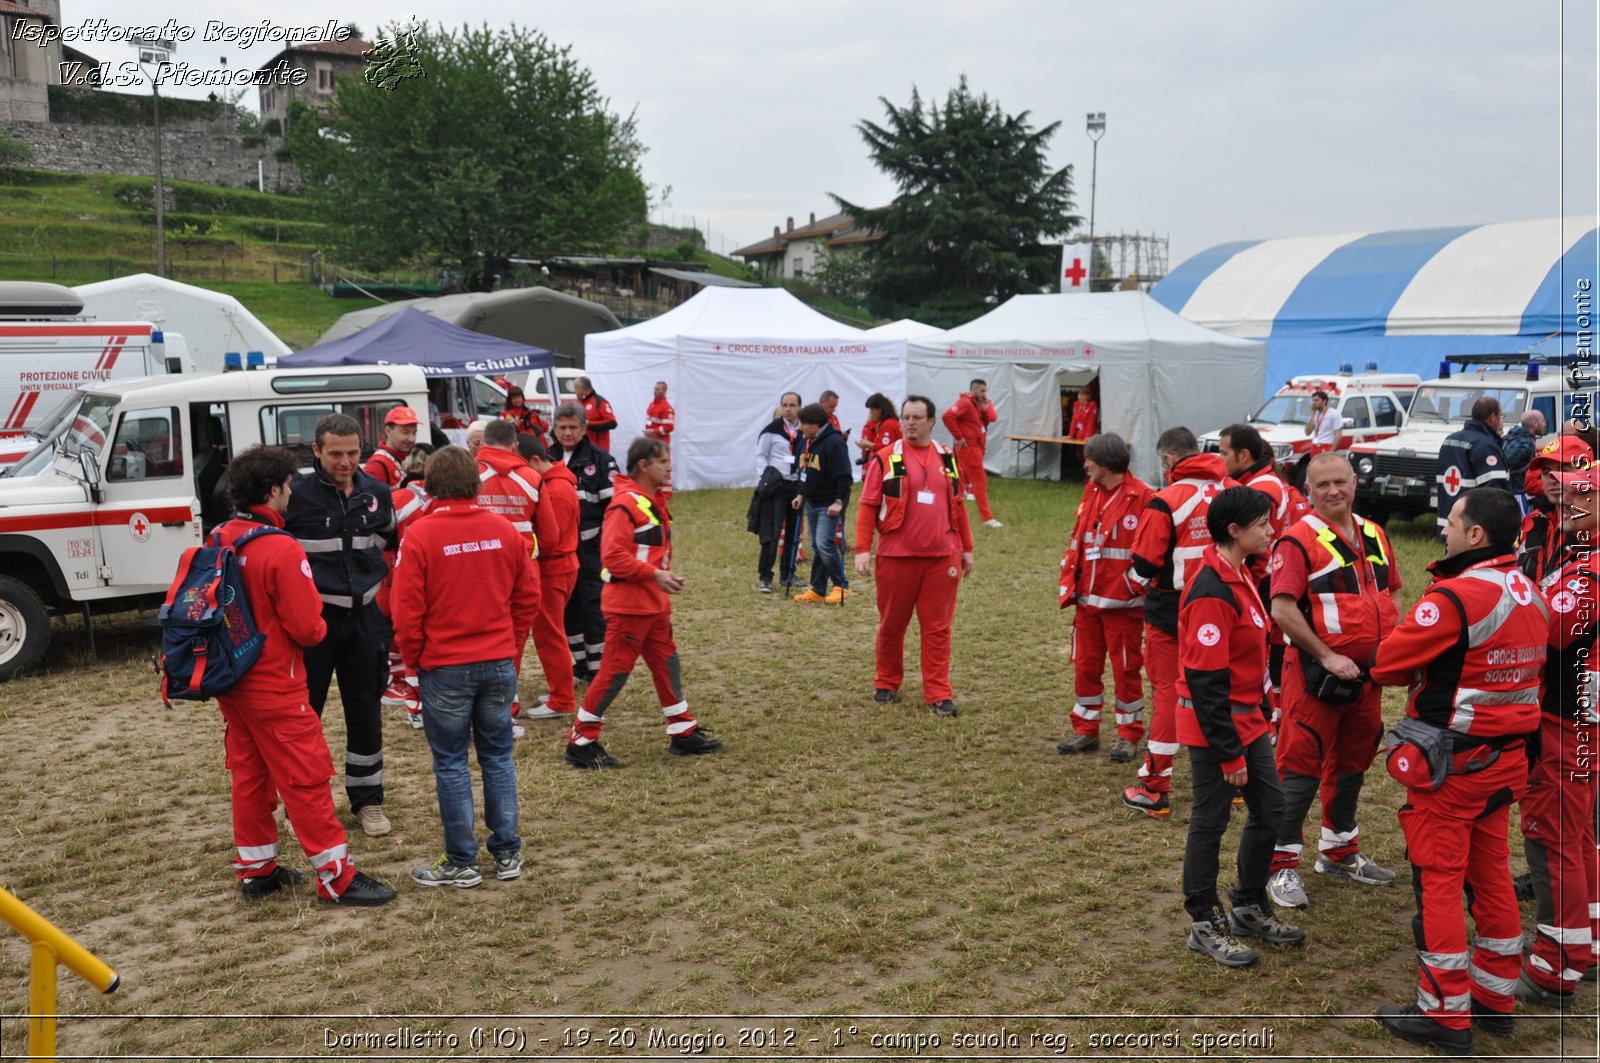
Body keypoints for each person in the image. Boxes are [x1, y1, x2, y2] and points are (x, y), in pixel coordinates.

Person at [1370, 488, 1547, 1056]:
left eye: (1450, 523)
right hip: (1506, 764)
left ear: (1475, 535)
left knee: (1440, 883)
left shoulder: (1455, 597)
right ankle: (1495, 999)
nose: (1443, 531)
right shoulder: (1532, 593)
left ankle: (1444, 1013)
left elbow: (1388, 665)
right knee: (1492, 876)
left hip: (1451, 768)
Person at [213, 445, 396, 907]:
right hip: (276, 682)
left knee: (250, 775)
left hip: (231, 682)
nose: (293, 492)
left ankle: (257, 870)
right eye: (289, 485)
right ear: (273, 490)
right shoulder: (280, 547)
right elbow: (309, 628)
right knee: (307, 778)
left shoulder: (218, 537)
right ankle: (336, 877)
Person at [393, 446, 539, 889]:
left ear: (430, 484)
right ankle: (508, 853)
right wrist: (508, 647)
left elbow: (405, 612)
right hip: (496, 662)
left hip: (446, 666)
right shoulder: (504, 530)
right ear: (475, 482)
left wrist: (415, 662)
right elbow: (527, 597)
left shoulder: (418, 535)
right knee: (498, 758)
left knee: (452, 763)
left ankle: (463, 861)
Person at [1264, 454, 1402, 911]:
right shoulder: (1297, 540)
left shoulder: (1375, 533)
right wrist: (1327, 655)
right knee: (1299, 767)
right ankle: (1280, 865)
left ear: (1355, 483)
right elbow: (1282, 608)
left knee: (1353, 762)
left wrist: (1391, 650)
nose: (1333, 491)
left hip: (1368, 677)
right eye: (1322, 485)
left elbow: (1392, 592)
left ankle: (1339, 852)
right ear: (1308, 490)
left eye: (1340, 482)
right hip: (1314, 678)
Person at [1176, 486, 1303, 968]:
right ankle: (1205, 923)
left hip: (1247, 720)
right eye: (1263, 524)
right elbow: (1206, 682)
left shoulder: (1241, 573)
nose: (1272, 531)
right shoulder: (1211, 587)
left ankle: (1248, 904)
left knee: (1272, 809)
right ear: (1235, 531)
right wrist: (1229, 753)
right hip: (1217, 728)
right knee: (1210, 820)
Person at [564, 437, 722, 768]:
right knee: (613, 673)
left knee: (667, 664)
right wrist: (654, 576)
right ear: (643, 466)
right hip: (630, 606)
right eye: (663, 462)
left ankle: (682, 730)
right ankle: (581, 740)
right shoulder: (625, 504)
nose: (669, 467)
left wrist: (658, 581)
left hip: (652, 604)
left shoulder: (646, 501)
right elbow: (612, 556)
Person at [286, 414, 396, 839]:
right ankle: (303, 807)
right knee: (305, 716)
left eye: (353, 453)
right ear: (316, 451)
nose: (346, 461)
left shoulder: (377, 493)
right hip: (313, 624)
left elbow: (388, 540)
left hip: (366, 621)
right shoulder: (295, 495)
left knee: (365, 711)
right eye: (336, 454)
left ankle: (368, 802)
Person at [1515, 465, 1599, 1008]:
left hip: (1566, 722)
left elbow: (1540, 629)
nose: (1567, 498)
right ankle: (1585, 944)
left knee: (1554, 839)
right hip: (1582, 719)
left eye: (1583, 493)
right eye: (1564, 489)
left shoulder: (1589, 571)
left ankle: (1555, 968)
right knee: (1579, 835)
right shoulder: (1577, 557)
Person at [1122, 427, 1235, 818]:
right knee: (1229, 690)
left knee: (1169, 692)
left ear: (1169, 459)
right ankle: (1236, 782)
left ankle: (1155, 787)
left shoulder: (1165, 500)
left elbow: (1144, 563)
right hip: (1228, 602)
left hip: (1172, 609)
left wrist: (1134, 583)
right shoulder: (1234, 492)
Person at [854, 395, 975, 717]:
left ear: (931, 421)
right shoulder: (885, 457)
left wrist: (967, 549)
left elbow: (959, 505)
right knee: (892, 625)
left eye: (917, 417)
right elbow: (867, 506)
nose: (910, 422)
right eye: (906, 416)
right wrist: (863, 550)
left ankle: (938, 693)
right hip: (896, 556)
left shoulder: (947, 457)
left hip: (942, 557)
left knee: (937, 630)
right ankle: (886, 682)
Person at [1055, 432, 1153, 761]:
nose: (1086, 464)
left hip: (1122, 606)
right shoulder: (1092, 491)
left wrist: (1130, 588)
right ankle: (1085, 730)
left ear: (1108, 464)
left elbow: (1153, 552)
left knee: (1125, 670)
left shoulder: (1143, 497)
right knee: (1085, 666)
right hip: (1087, 602)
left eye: (1090, 459)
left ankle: (1129, 735)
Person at [476, 418, 543, 729]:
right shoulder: (532, 477)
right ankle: (507, 706)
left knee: (478, 638)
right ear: (515, 445)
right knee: (514, 640)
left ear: (482, 444)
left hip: (478, 570)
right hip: (522, 570)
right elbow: (551, 533)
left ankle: (480, 708)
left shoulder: (469, 474)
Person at [548, 402, 618, 684]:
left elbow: (613, 509)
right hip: (559, 553)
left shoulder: (601, 461)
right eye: (561, 427)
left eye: (572, 427)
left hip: (591, 551)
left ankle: (599, 669)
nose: (567, 432)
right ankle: (579, 664)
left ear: (584, 428)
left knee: (593, 609)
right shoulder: (544, 457)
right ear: (553, 428)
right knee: (567, 610)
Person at [522, 434, 581, 721]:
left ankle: (562, 699)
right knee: (550, 633)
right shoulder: (557, 482)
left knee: (550, 635)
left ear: (535, 460)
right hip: (561, 565)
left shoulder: (555, 489)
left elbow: (550, 538)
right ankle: (561, 689)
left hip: (553, 567)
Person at [792, 402, 853, 604]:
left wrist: (838, 502)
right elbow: (804, 471)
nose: (800, 428)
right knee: (817, 547)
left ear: (815, 424)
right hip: (811, 501)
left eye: (803, 424)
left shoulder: (834, 443)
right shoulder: (806, 441)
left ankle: (841, 586)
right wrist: (801, 494)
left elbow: (845, 477)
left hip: (828, 504)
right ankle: (818, 588)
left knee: (824, 544)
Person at [1518, 435, 1594, 583]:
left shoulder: (1593, 525)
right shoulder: (1533, 520)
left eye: (1563, 470)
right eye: (1546, 472)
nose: (1553, 478)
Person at [753, 392, 804, 594]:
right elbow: (761, 455)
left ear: (800, 406)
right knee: (772, 532)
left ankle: (788, 574)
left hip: (796, 486)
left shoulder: (804, 430)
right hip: (777, 486)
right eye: (785, 405)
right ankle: (765, 576)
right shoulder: (772, 430)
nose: (788, 409)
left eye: (792, 405)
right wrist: (766, 476)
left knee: (793, 533)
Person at [1434, 396, 1509, 532]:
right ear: (1493, 417)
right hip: (1474, 528)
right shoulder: (1485, 445)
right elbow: (1494, 493)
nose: (1502, 422)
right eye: (1501, 416)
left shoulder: (1450, 440)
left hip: (1449, 525)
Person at [942, 380, 1002, 528]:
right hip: (970, 447)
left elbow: (992, 418)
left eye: (985, 391)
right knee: (979, 482)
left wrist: (985, 409)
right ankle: (987, 517)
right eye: (982, 391)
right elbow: (947, 416)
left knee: (962, 477)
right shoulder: (966, 403)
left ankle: (951, 509)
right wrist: (959, 436)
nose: (985, 394)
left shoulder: (977, 404)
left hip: (975, 446)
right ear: (974, 390)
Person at [363, 406, 420, 488]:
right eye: (405, 432)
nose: (411, 439)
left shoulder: (409, 458)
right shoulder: (377, 465)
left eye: (414, 433)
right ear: (388, 431)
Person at [1501, 408, 1544, 498]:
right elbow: (1508, 462)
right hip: (1517, 492)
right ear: (1534, 424)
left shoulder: (1511, 436)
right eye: (1543, 421)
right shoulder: (1526, 444)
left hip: (1508, 489)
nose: (1544, 424)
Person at [855, 393, 901, 467]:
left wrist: (868, 444)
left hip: (892, 463)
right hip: (895, 462)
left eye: (872, 410)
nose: (871, 413)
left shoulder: (888, 424)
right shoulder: (891, 422)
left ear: (879, 410)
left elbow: (886, 448)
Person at [574, 376, 617, 452]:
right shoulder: (579, 403)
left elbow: (612, 423)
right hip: (582, 449)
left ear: (581, 388)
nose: (575, 391)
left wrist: (589, 424)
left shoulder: (600, 402)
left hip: (598, 451)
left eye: (575, 388)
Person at [1065, 387, 1098, 475]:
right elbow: (1074, 421)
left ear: (1088, 396)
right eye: (1079, 394)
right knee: (1079, 454)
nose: (1079, 396)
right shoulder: (1076, 405)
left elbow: (1091, 421)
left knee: (1087, 454)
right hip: (1079, 435)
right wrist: (1070, 435)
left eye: (1082, 394)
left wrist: (1088, 436)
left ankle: (1090, 473)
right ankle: (1086, 472)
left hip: (1089, 435)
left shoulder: (1092, 405)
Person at [1304, 390, 1342, 456]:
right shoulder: (1315, 414)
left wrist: (1332, 450)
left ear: (1324, 401)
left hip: (1327, 445)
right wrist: (1312, 415)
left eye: (1316, 400)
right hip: (1315, 445)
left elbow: (1338, 434)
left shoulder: (1334, 414)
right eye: (1313, 401)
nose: (1314, 403)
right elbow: (1307, 432)